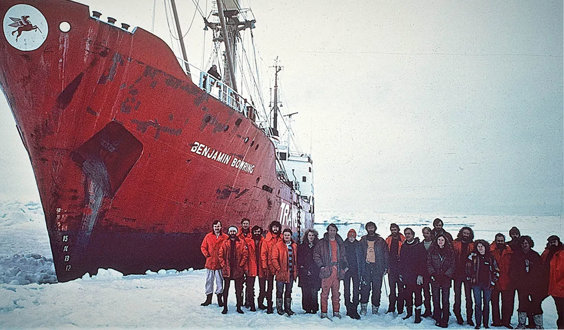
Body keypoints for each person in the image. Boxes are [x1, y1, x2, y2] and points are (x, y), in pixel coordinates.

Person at [314, 223, 348, 319]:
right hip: (327, 270)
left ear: (336, 231)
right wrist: (321, 266)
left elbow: (343, 255)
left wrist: (344, 267)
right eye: (330, 230)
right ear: (327, 231)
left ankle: (336, 312)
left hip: (336, 270)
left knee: (336, 293)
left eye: (334, 230)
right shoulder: (322, 242)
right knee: (325, 293)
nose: (332, 232)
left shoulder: (339, 242)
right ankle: (324, 312)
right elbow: (316, 254)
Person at [510, 236, 546, 329]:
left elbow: (540, 270)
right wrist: (516, 281)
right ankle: (521, 323)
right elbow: (512, 270)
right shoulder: (516, 255)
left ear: (530, 244)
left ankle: (538, 324)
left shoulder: (535, 255)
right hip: (521, 284)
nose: (524, 245)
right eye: (522, 243)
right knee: (522, 303)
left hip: (534, 284)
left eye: (526, 243)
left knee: (536, 303)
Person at [466, 239, 500, 329]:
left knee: (486, 303)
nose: (480, 248)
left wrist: (493, 281)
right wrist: (470, 278)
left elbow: (496, 270)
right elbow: (468, 269)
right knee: (478, 304)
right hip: (476, 284)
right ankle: (478, 323)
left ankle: (485, 323)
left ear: (485, 247)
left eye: (482, 246)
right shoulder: (473, 257)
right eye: (478, 246)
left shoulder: (490, 257)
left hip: (487, 284)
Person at [359, 221, 388, 315]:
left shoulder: (380, 241)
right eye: (369, 227)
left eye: (372, 227)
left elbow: (385, 254)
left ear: (375, 228)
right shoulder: (363, 240)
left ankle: (375, 308)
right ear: (366, 229)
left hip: (377, 267)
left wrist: (385, 266)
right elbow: (358, 254)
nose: (370, 229)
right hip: (366, 267)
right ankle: (363, 307)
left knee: (376, 288)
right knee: (365, 287)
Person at [218, 225, 249, 314]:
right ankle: (225, 307)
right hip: (227, 269)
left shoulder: (241, 242)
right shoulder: (225, 242)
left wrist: (241, 264)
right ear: (229, 232)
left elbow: (245, 254)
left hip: (237, 269)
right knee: (226, 289)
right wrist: (223, 264)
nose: (232, 233)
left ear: (236, 232)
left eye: (234, 231)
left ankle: (239, 307)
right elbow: (220, 254)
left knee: (238, 290)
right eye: (231, 231)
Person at [399, 227, 426, 323]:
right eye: (406, 233)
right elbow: (401, 261)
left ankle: (417, 316)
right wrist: (401, 274)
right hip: (407, 276)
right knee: (407, 295)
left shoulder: (419, 246)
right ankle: (409, 313)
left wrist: (420, 275)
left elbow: (423, 261)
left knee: (418, 295)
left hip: (416, 276)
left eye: (409, 233)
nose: (407, 235)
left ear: (413, 235)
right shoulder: (404, 246)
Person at [427, 234, 455, 328]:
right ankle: (437, 317)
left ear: (445, 241)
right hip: (435, 278)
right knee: (436, 298)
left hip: (446, 279)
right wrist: (433, 274)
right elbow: (429, 263)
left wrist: (447, 275)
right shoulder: (432, 251)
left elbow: (452, 264)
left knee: (445, 300)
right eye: (439, 240)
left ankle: (445, 319)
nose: (440, 241)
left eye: (442, 240)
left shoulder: (450, 251)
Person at [200, 219, 228, 307]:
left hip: (219, 263)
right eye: (215, 226)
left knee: (220, 281)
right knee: (209, 281)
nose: (217, 228)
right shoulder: (208, 236)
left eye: (218, 226)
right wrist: (206, 254)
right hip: (210, 263)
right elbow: (203, 246)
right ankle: (208, 299)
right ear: (213, 227)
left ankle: (220, 298)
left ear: (221, 227)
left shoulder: (225, 237)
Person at [490, 233, 514, 329]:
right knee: (494, 302)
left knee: (507, 303)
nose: (500, 242)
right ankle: (496, 321)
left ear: (504, 241)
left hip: (507, 280)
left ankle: (506, 321)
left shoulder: (510, 251)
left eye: (501, 240)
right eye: (498, 240)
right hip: (494, 280)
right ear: (495, 240)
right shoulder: (490, 250)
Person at [271, 228, 298, 316]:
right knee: (280, 291)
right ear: (283, 236)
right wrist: (279, 269)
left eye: (288, 235)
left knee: (288, 291)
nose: (287, 237)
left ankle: (288, 308)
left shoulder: (294, 246)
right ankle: (279, 308)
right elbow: (274, 258)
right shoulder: (278, 245)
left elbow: (296, 259)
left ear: (291, 236)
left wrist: (295, 270)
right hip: (281, 273)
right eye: (285, 235)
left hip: (290, 272)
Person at [453, 226, 475, 326]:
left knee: (468, 297)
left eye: (468, 233)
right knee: (457, 296)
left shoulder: (473, 245)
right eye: (464, 233)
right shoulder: (455, 243)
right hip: (457, 273)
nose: (466, 235)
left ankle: (469, 317)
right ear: (461, 233)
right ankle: (458, 315)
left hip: (468, 274)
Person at [541, 235, 563, 329]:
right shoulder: (546, 252)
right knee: (535, 302)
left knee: (561, 311)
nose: (553, 244)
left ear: (558, 242)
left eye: (554, 242)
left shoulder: (562, 253)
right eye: (551, 242)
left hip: (560, 287)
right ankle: (534, 323)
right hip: (546, 284)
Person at [260, 220, 282, 314]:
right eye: (274, 227)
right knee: (269, 287)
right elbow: (263, 254)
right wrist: (265, 266)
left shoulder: (282, 239)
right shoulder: (266, 240)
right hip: (269, 267)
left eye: (277, 227)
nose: (275, 229)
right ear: (271, 228)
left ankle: (279, 305)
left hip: (279, 267)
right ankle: (269, 305)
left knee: (279, 287)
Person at [297, 228, 321, 314]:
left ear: (315, 237)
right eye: (309, 235)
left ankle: (314, 308)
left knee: (314, 290)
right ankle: (307, 308)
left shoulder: (318, 246)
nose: (311, 237)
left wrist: (314, 269)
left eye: (312, 235)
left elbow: (318, 258)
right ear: (306, 236)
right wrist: (304, 269)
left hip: (315, 271)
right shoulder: (302, 246)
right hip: (304, 271)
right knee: (305, 290)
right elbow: (299, 259)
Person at [386, 223, 406, 315]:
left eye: (395, 229)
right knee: (392, 289)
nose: (394, 231)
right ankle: (391, 307)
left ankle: (400, 308)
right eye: (392, 229)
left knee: (401, 289)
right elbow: (385, 253)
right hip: (391, 267)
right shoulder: (388, 239)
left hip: (401, 267)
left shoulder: (403, 239)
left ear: (398, 229)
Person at [343, 229, 362, 319]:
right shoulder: (344, 244)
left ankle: (354, 308)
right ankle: (348, 307)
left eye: (353, 236)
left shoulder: (358, 245)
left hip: (356, 269)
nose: (351, 238)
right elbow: (341, 257)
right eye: (350, 236)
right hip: (347, 270)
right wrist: (344, 266)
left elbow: (361, 257)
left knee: (356, 290)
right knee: (347, 289)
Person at [243, 225, 261, 312]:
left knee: (262, 287)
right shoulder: (248, 241)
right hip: (251, 266)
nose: (257, 233)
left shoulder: (264, 241)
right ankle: (251, 304)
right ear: (252, 232)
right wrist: (245, 268)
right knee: (250, 287)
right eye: (255, 232)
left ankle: (260, 303)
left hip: (261, 266)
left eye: (258, 231)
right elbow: (245, 256)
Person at [238, 218, 252, 308]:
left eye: (247, 223)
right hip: (240, 262)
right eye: (244, 223)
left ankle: (248, 300)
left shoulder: (253, 234)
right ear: (242, 224)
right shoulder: (237, 235)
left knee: (249, 283)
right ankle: (240, 300)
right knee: (239, 283)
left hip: (250, 262)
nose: (245, 225)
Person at [421, 226, 434, 318]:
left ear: (431, 233)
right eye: (424, 233)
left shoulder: (435, 244)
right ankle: (428, 309)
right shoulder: (421, 245)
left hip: (434, 272)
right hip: (424, 272)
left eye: (427, 233)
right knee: (426, 292)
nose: (426, 235)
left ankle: (438, 309)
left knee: (436, 292)